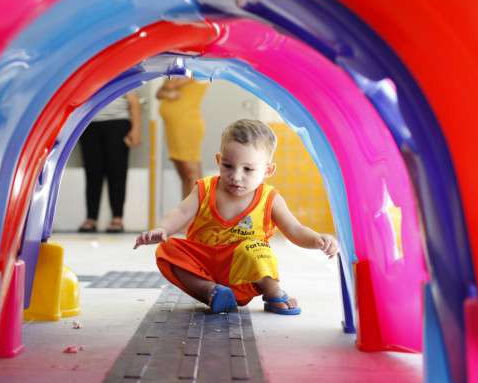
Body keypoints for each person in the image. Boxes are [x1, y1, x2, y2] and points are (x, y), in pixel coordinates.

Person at [134, 119, 338, 314]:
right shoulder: (205, 188)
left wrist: (317, 240)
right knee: (167, 249)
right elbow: (181, 212)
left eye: (248, 169)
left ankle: (272, 291)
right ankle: (211, 291)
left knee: (257, 250)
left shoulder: (269, 198)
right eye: (228, 166)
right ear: (218, 160)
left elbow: (294, 230)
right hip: (204, 266)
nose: (236, 176)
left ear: (268, 170)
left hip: (243, 275)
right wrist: (161, 229)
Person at [78, 92, 142, 233]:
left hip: (118, 123)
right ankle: (91, 218)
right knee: (92, 172)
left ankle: (117, 218)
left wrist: (136, 129)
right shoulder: (87, 74)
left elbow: (134, 101)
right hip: (88, 124)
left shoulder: (121, 72)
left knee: (117, 172)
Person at [157, 77, 209, 198]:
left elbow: (169, 85)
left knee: (191, 173)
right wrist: (166, 92)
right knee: (184, 174)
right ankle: (186, 214)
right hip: (174, 126)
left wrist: (166, 90)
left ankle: (196, 214)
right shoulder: (179, 69)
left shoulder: (198, 68)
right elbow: (159, 93)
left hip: (187, 125)